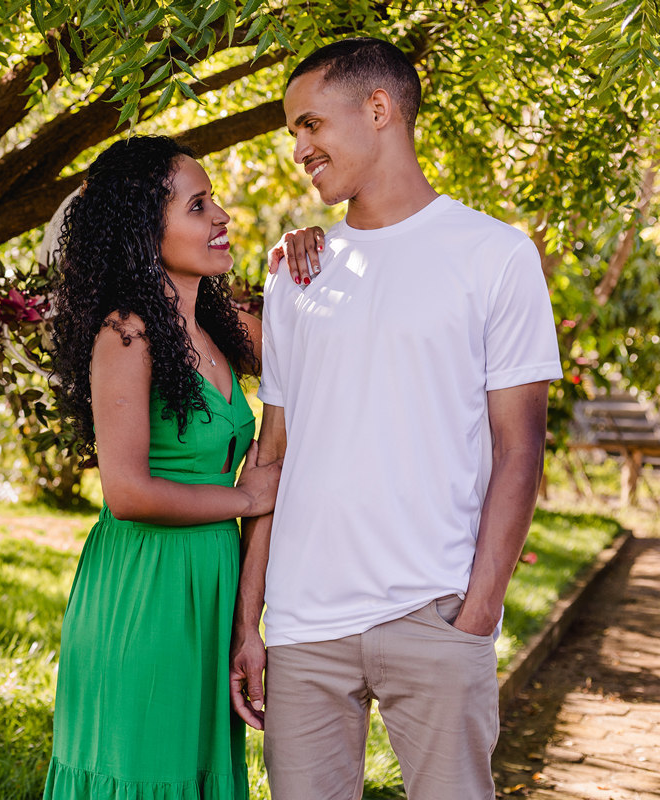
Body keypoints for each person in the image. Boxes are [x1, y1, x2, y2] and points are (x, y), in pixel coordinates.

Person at [229, 37, 562, 800]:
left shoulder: (493, 256)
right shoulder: (296, 274)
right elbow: (272, 454)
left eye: (310, 125)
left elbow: (520, 451)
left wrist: (479, 610)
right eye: (293, 134)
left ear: (378, 109)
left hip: (436, 614)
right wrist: (252, 623)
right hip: (305, 627)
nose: (299, 149)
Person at [42, 135, 283, 799]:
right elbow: (127, 491)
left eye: (214, 202)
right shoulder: (127, 334)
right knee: (147, 770)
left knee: (194, 771)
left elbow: (318, 336)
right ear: (147, 232)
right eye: (198, 206)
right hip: (145, 585)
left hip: (210, 580)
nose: (221, 217)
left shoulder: (220, 323)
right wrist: (246, 499)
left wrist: (310, 249)